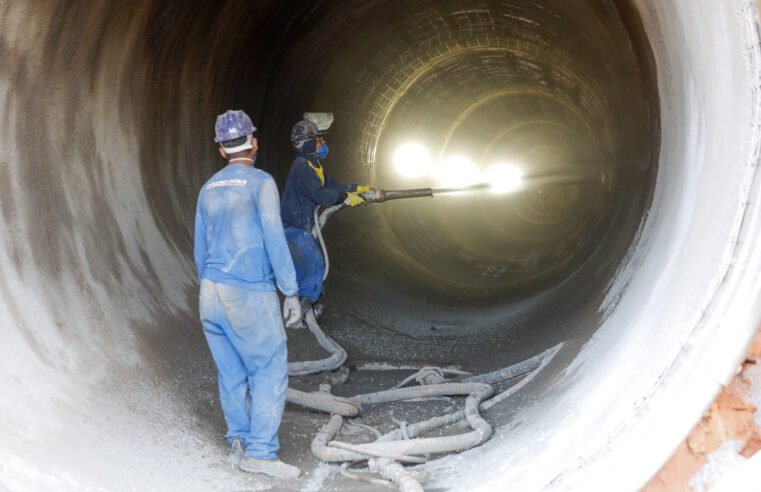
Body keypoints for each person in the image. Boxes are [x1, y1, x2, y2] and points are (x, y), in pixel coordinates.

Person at [194, 109, 302, 479]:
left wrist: (213, 289)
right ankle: (260, 453)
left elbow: (200, 249)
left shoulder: (208, 187)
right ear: (253, 143)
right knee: (268, 368)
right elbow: (275, 237)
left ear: (222, 150)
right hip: (249, 292)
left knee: (231, 372)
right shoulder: (261, 183)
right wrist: (290, 291)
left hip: (210, 291)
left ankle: (239, 440)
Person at [280, 113, 372, 316]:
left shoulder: (314, 164)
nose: (323, 143)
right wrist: (345, 197)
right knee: (314, 264)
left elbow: (330, 185)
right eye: (319, 139)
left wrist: (356, 188)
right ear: (308, 143)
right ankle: (305, 311)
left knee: (312, 264)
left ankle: (311, 305)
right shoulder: (302, 167)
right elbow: (320, 194)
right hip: (293, 228)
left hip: (301, 226)